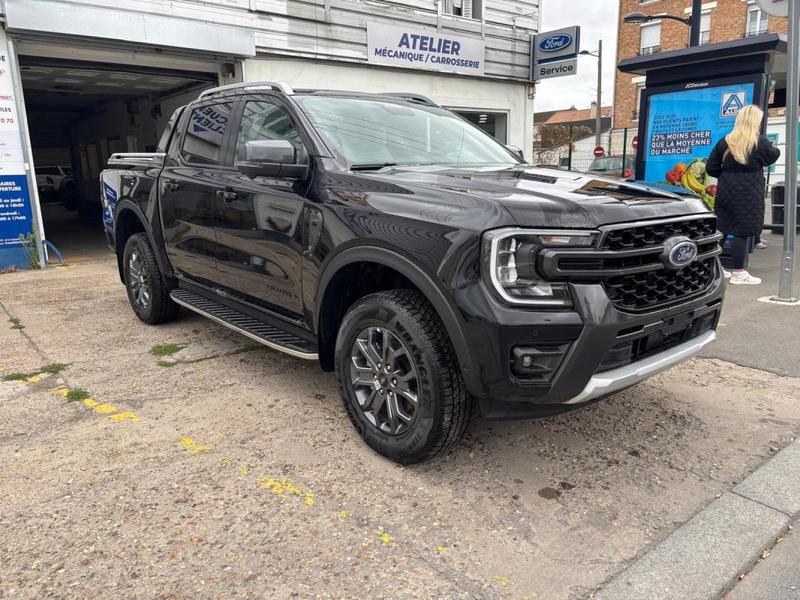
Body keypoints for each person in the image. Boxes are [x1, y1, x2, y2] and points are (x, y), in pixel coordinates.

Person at [706, 105, 780, 285]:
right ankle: (739, 272)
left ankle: (715, 268)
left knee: (722, 228)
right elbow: (773, 156)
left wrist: (727, 176)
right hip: (749, 191)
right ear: (755, 122)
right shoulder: (759, 142)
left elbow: (711, 168)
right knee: (742, 231)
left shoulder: (725, 141)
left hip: (726, 190)